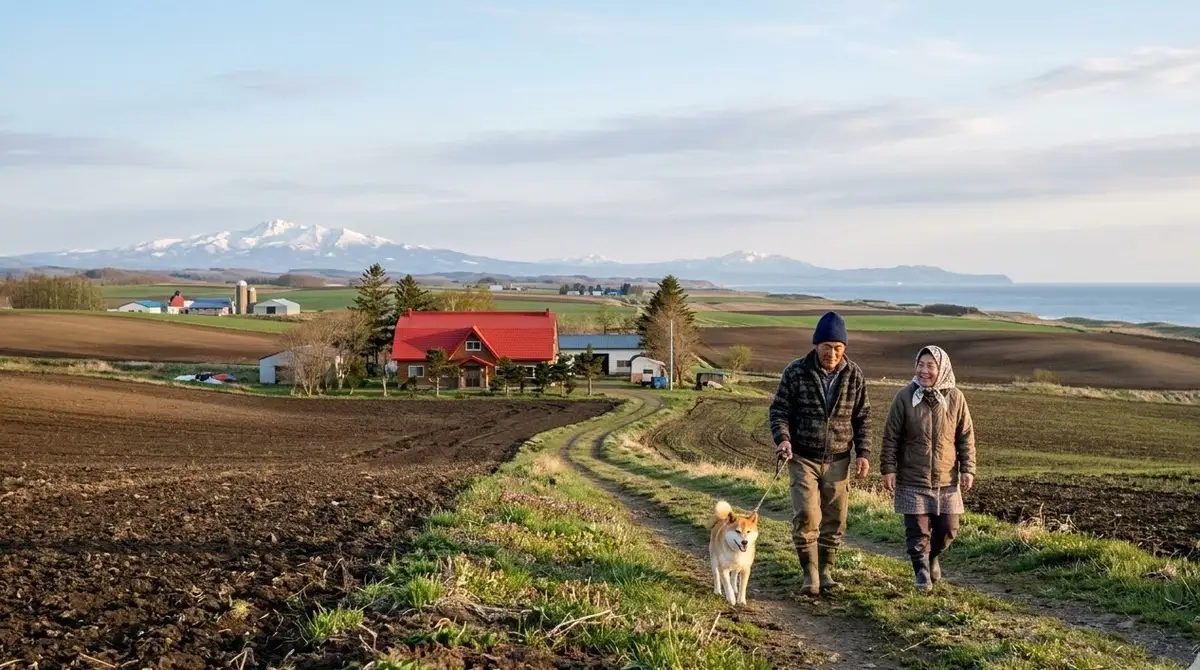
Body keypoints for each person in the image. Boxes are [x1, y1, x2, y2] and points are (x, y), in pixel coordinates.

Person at [768, 311, 871, 597]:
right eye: (827, 346)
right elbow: (779, 411)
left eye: (838, 348)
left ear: (845, 349)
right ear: (816, 345)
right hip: (802, 457)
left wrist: (863, 453)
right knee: (807, 514)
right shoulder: (796, 371)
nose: (832, 353)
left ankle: (826, 572)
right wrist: (783, 440)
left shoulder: (854, 375)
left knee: (835, 519)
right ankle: (809, 574)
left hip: (839, 459)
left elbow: (863, 417)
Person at [880, 345, 976, 591]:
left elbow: (965, 436)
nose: (924, 371)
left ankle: (932, 556)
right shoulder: (904, 397)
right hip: (912, 477)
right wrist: (888, 469)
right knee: (916, 531)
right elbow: (891, 437)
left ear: (942, 368)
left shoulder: (956, 398)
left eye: (930, 366)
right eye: (920, 365)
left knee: (948, 529)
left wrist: (968, 469)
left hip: (947, 478)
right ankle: (921, 573)